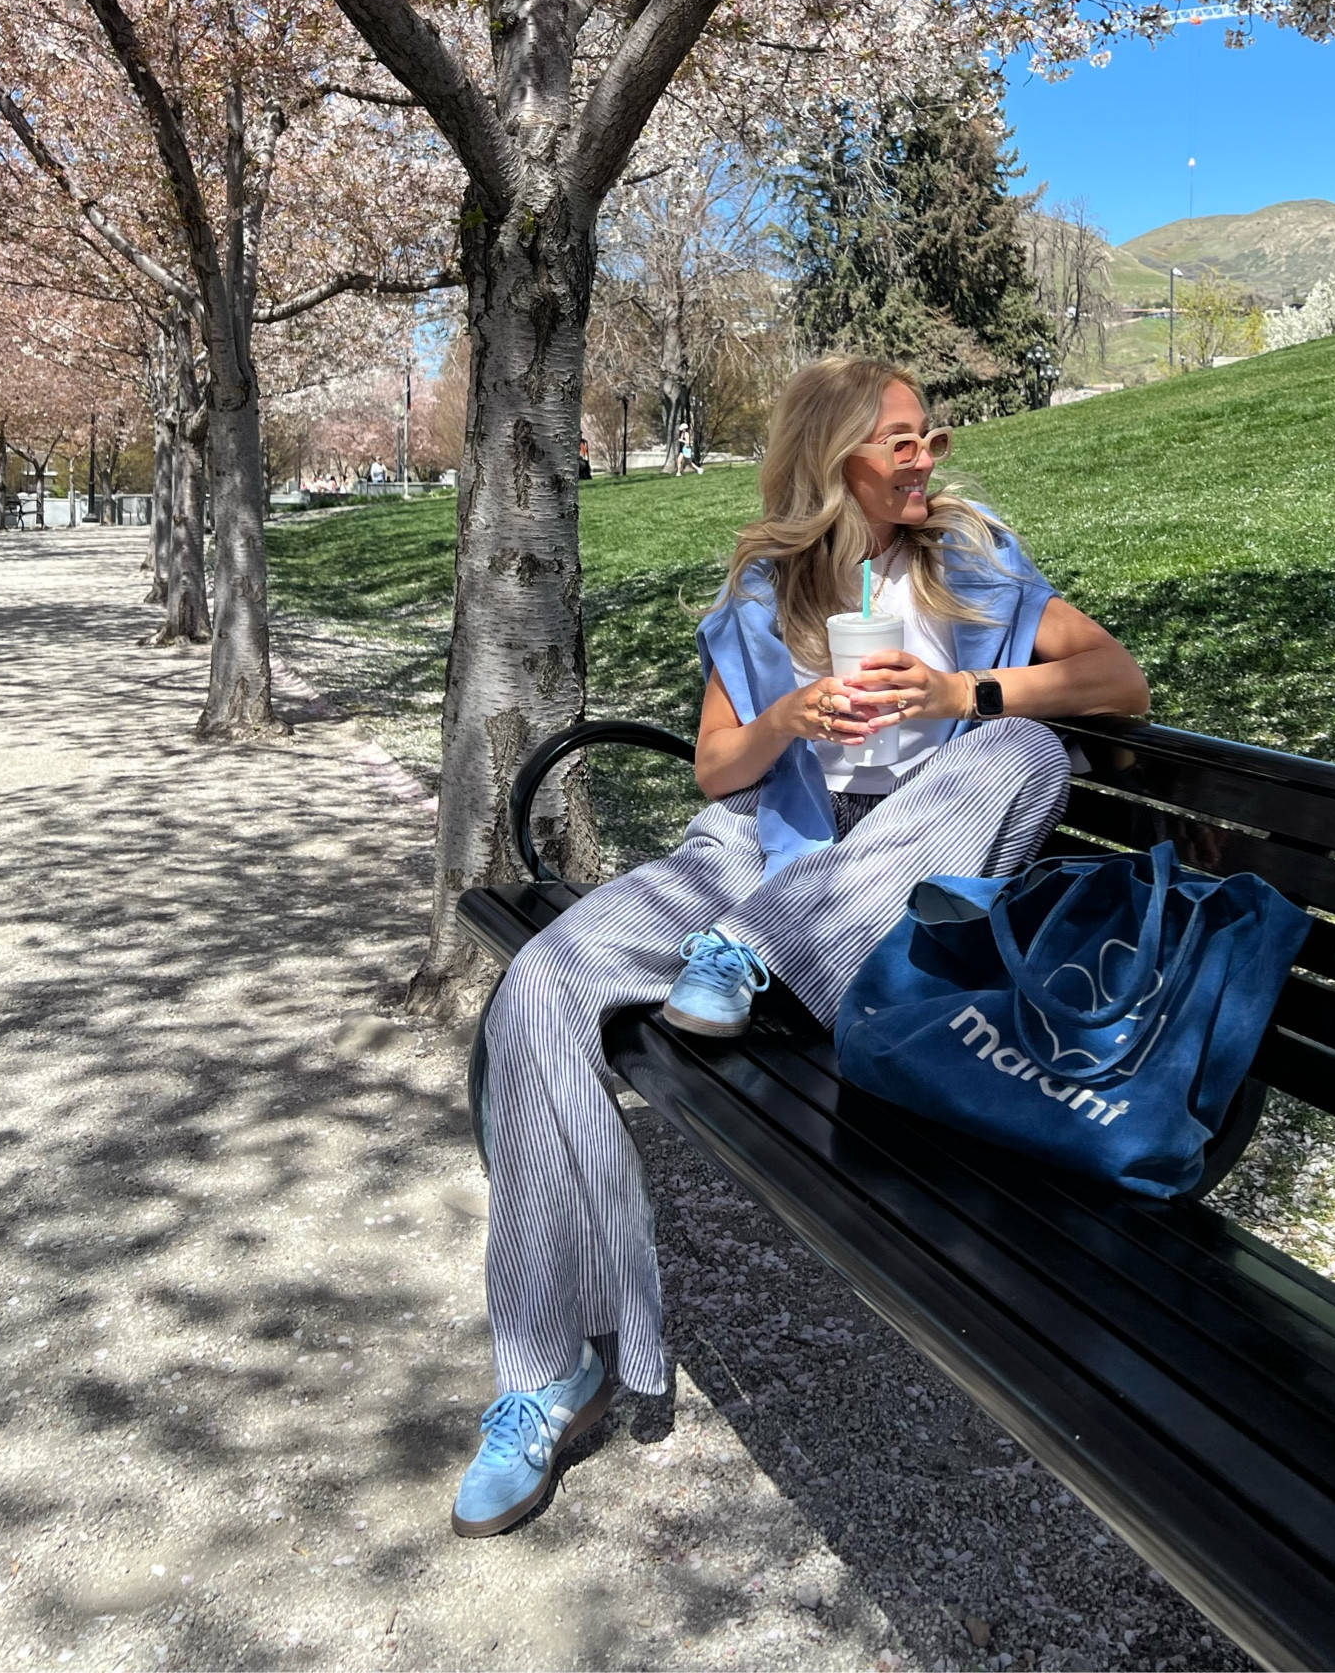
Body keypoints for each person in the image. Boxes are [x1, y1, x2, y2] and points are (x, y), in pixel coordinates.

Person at [451, 356, 1149, 1538]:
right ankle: (543, 1370)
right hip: (749, 855)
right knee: (539, 984)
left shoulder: (975, 566)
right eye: (901, 441)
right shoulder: (766, 597)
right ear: (835, 462)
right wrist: (789, 714)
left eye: (929, 436)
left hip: (885, 898)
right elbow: (720, 770)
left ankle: (754, 951)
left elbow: (1116, 682)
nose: (927, 456)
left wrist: (962, 691)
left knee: (1029, 754)